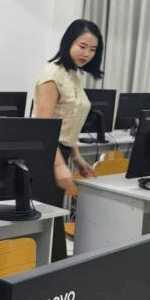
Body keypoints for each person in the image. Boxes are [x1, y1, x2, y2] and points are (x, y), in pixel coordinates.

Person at [32, 19, 104, 261]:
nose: (87, 54)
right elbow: (44, 128)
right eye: (82, 46)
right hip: (44, 156)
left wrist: (77, 157)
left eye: (93, 50)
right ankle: (44, 276)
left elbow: (66, 122)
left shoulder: (72, 75)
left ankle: (54, 273)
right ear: (68, 42)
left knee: (53, 221)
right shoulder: (51, 75)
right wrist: (59, 165)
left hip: (59, 152)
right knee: (46, 224)